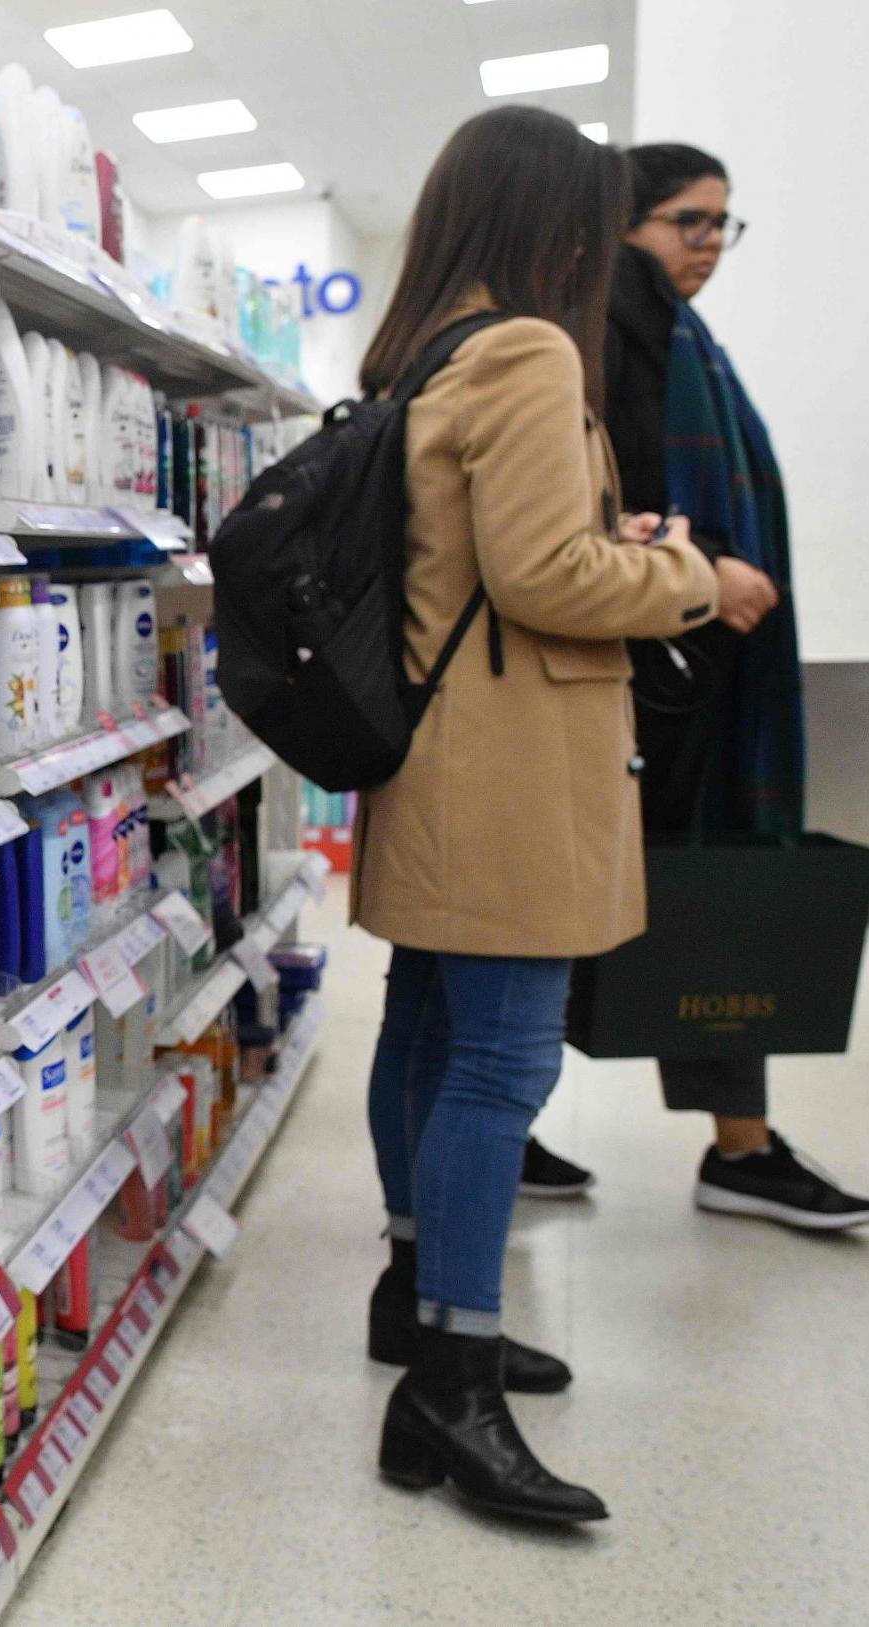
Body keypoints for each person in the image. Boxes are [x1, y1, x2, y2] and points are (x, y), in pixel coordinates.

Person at [351, 106, 770, 1525]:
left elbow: (496, 553)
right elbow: (543, 578)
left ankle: (420, 1305)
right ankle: (455, 1377)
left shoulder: (425, 345)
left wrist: (616, 548)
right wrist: (693, 577)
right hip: (512, 758)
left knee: (425, 1028)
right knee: (500, 1061)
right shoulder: (528, 350)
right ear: (555, 220)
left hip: (433, 748)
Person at [519, 145, 869, 1229]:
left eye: (724, 223)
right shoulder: (620, 321)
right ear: (624, 225)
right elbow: (608, 503)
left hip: (686, 664)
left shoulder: (668, 326)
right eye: (688, 221)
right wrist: (698, 574)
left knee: (668, 896)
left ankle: (727, 1146)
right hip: (658, 664)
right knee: (615, 898)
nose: (709, 244)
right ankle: (712, 1147)